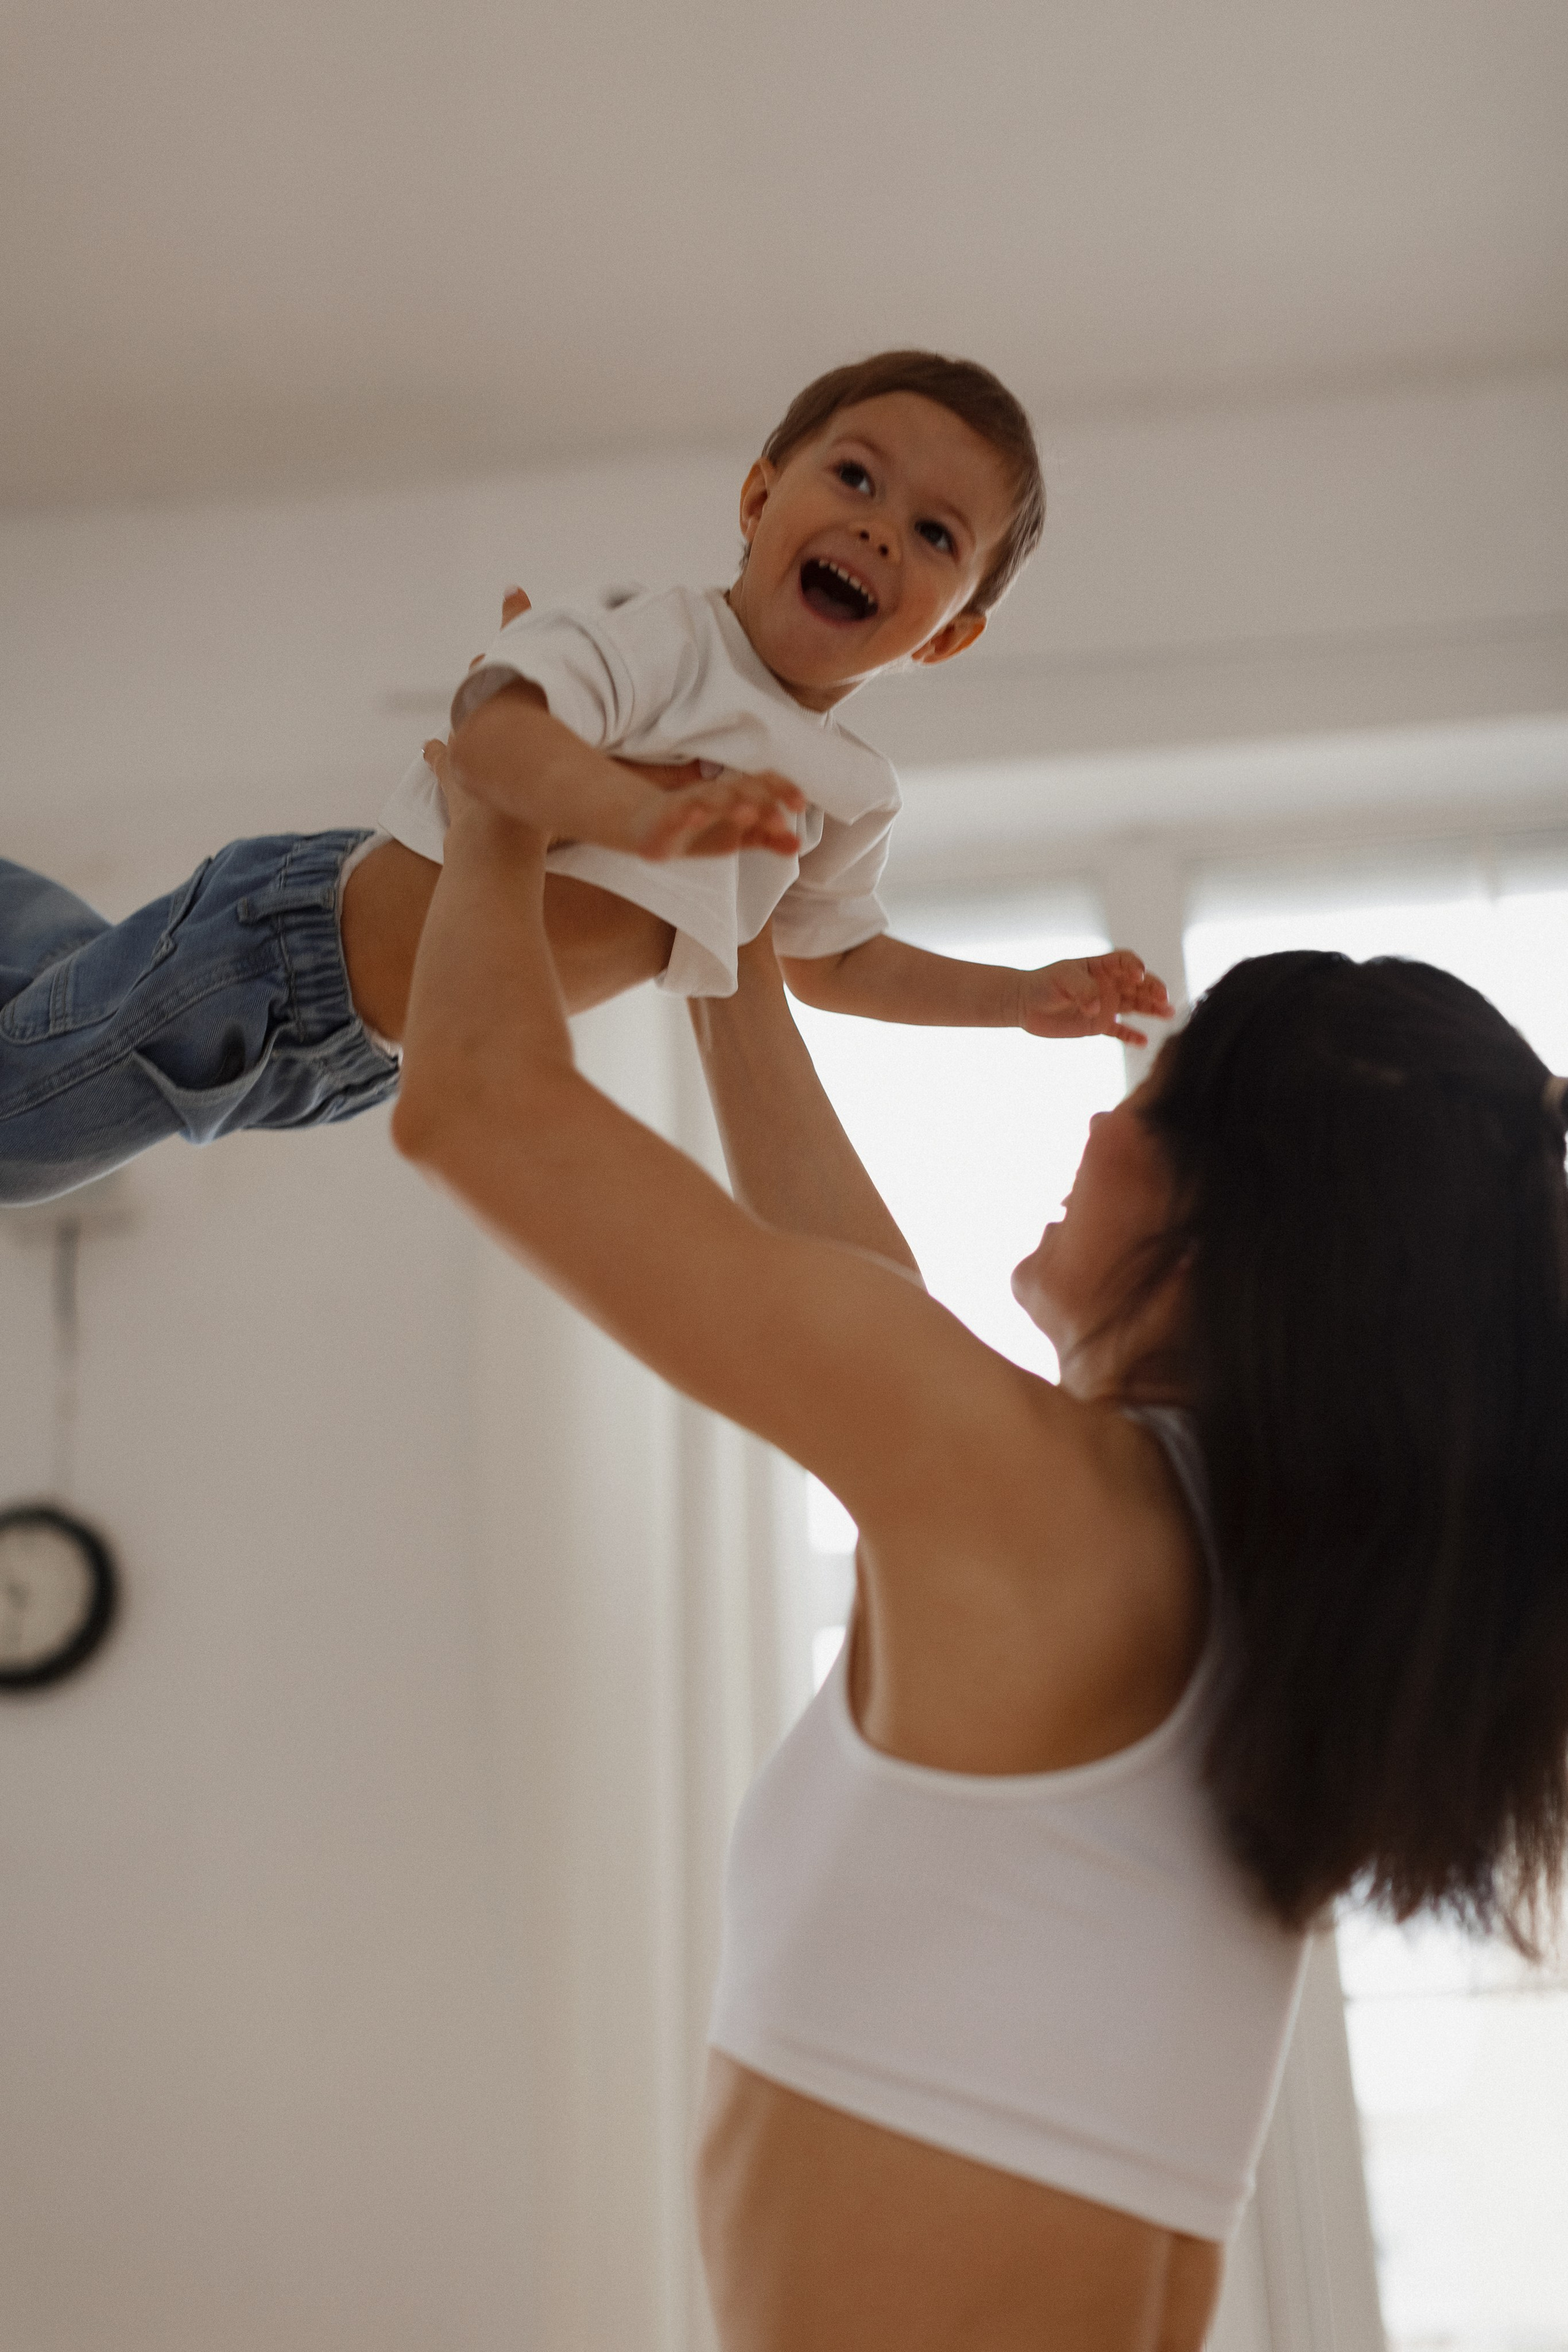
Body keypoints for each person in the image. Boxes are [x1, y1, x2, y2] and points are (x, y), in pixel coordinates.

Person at [390, 766, 1568, 2351]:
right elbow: (853, 1298)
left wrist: (502, 793)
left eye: (1141, 1103)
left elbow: (474, 1102)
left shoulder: (1047, 1508)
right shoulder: (1233, 1561)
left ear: (1224, 1230)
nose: (1095, 1118)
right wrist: (723, 937)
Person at [0, 349, 1168, 1207]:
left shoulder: (845, 792)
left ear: (944, 638)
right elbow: (491, 731)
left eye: (934, 537)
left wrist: (1016, 997)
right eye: (856, 480)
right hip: (283, 950)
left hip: (358, 1052)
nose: (877, 531)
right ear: (762, 501)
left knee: (46, 989)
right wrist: (641, 811)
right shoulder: (669, 641)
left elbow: (837, 962)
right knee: (18, 1121)